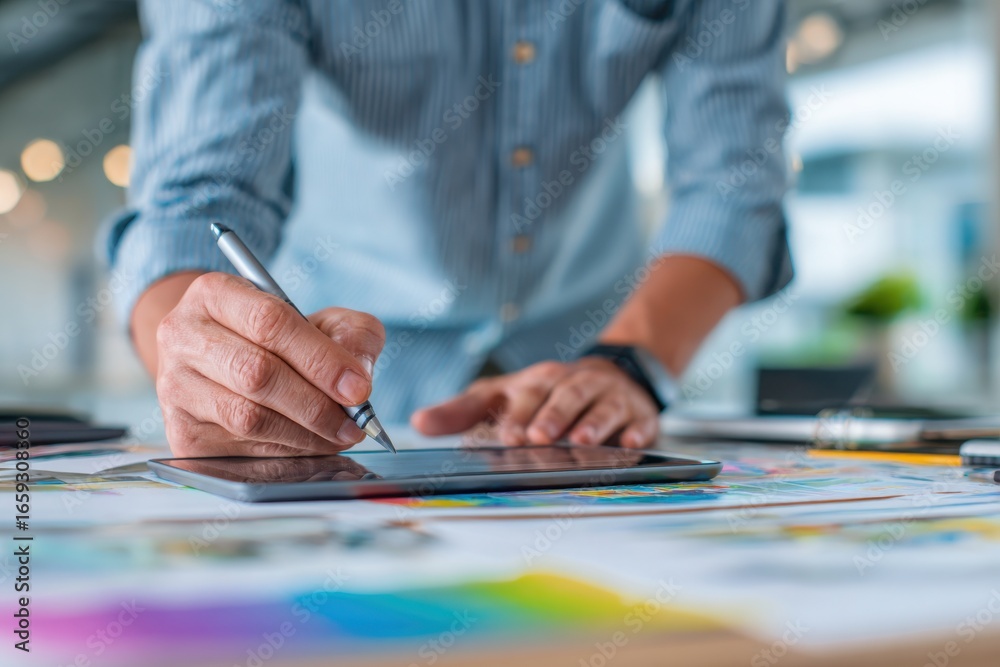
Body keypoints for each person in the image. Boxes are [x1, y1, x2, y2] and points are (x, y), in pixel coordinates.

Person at [106, 0, 792, 457]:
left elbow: (733, 185)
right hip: (323, 391)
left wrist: (628, 364)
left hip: (598, 380)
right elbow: (195, 202)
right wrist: (209, 365)